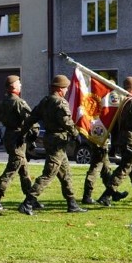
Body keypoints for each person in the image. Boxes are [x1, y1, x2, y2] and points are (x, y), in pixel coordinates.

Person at [18, 75, 87, 215]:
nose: (67, 90)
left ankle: (72, 203)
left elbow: (32, 118)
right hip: (57, 142)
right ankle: (28, 203)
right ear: (60, 89)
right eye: (66, 88)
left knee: (66, 173)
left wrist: (23, 134)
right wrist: (75, 134)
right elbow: (66, 121)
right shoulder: (60, 103)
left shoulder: (45, 101)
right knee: (49, 174)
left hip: (51, 139)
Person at [0, 75, 35, 211]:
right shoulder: (18, 102)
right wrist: (33, 135)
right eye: (19, 83)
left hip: (9, 137)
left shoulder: (2, 103)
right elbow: (30, 120)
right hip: (18, 138)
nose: (21, 85)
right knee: (12, 170)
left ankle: (31, 198)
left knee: (23, 170)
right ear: (13, 86)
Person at [98, 77, 132, 206]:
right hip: (131, 140)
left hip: (125, 139)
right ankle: (107, 194)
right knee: (125, 167)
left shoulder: (123, 102)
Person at [81, 141, 114, 205]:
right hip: (99, 140)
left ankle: (113, 193)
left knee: (106, 169)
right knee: (95, 169)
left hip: (102, 140)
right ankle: (87, 196)